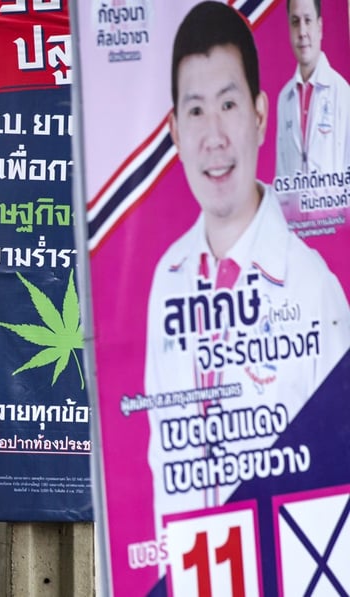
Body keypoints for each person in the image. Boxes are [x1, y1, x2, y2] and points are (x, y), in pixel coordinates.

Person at [144, 0, 350, 536]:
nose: (214, 136)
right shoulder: (168, 281)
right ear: (174, 131)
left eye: (229, 104)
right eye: (196, 111)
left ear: (259, 115)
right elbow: (164, 461)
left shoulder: (313, 288)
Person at [274, 0, 350, 179]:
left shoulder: (342, 92)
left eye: (307, 20)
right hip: (293, 198)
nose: (302, 32)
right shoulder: (285, 98)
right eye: (295, 22)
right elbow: (281, 174)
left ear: (320, 27)